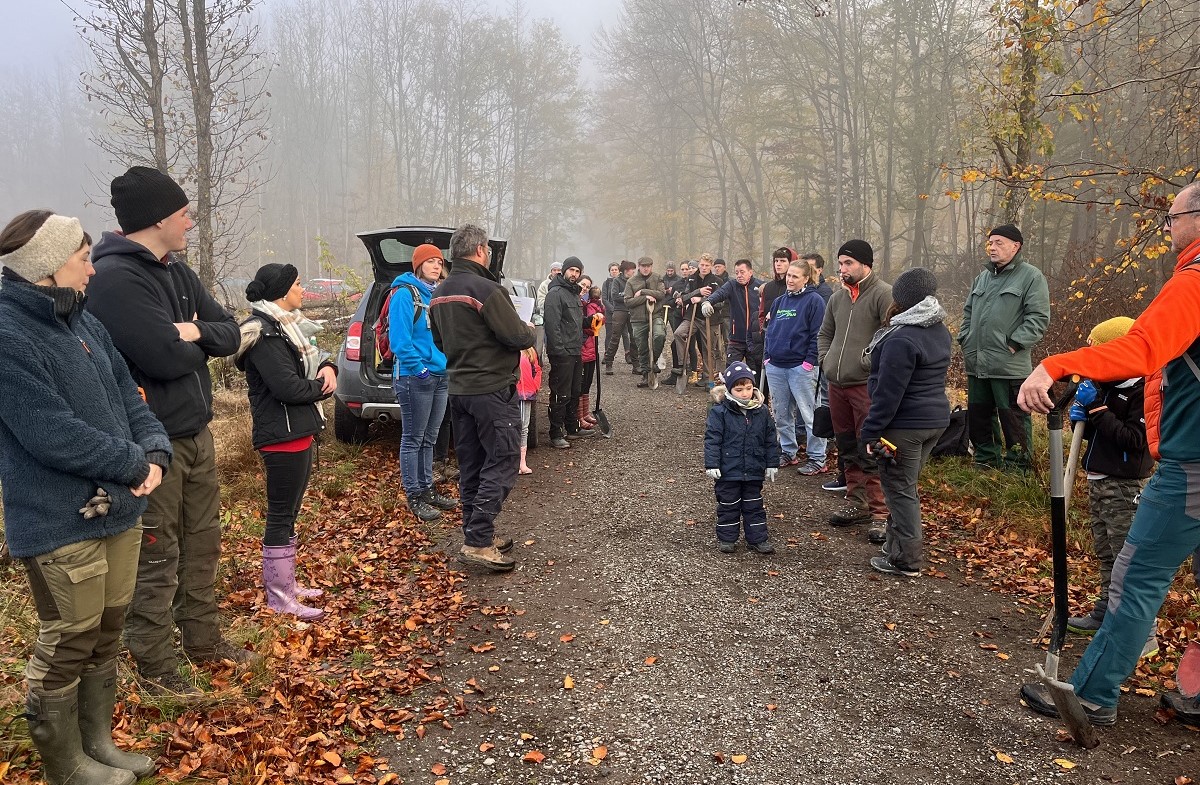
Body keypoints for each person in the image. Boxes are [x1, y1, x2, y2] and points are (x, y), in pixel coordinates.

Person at [1016, 182, 1200, 727]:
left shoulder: (1193, 282)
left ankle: (1092, 695)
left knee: (1137, 576)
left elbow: (1143, 347)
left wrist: (1059, 364)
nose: (1167, 228)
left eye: (1172, 218)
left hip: (1192, 466)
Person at [0, 211, 171, 785]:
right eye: (82, 258)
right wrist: (132, 463)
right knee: (69, 640)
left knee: (106, 630)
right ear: (47, 268)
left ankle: (97, 742)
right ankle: (64, 764)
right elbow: (50, 431)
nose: (92, 268)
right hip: (57, 521)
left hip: (119, 510)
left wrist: (155, 452)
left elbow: (129, 393)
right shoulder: (7, 335)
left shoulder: (82, 321)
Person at [86, 166, 257, 694]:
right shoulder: (116, 279)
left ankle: (204, 641)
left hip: (196, 434)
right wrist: (190, 340)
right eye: (184, 213)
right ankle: (157, 665)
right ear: (159, 217)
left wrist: (193, 331)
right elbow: (162, 357)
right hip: (150, 445)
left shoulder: (176, 270)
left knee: (203, 544)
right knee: (157, 554)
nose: (190, 222)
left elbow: (230, 333)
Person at [233, 264, 338, 621]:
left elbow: (313, 355)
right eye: (297, 284)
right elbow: (288, 388)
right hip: (281, 436)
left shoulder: (288, 328)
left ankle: (288, 586)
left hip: (298, 431)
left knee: (289, 513)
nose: (303, 290)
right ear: (281, 292)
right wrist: (322, 387)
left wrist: (329, 367)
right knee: (280, 515)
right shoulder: (265, 335)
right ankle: (279, 596)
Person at [430, 224, 534, 572]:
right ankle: (477, 540)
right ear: (479, 250)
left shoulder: (439, 292)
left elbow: (441, 343)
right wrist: (531, 330)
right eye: (487, 248)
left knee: (472, 465)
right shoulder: (487, 289)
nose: (488, 253)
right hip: (490, 389)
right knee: (503, 459)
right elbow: (515, 334)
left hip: (458, 390)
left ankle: (476, 534)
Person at [1060, 317, 1158, 657]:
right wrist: (1081, 420)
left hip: (1124, 488)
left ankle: (1139, 633)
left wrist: (1098, 410)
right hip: (1098, 481)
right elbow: (1098, 433)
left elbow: (1134, 440)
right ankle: (1105, 612)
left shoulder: (1143, 391)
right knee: (1105, 554)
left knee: (1125, 559)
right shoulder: (1104, 386)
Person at [857, 268, 952, 577]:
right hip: (934, 422)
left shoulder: (902, 338)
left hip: (906, 426)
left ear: (902, 299)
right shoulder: (937, 329)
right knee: (904, 486)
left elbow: (888, 393)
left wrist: (871, 431)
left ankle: (906, 560)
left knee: (899, 489)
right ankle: (894, 546)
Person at [817, 240, 892, 540]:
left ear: (865, 264)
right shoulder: (837, 298)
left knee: (870, 446)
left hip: (866, 385)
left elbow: (891, 336)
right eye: (840, 263)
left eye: (848, 263)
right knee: (846, 445)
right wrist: (826, 361)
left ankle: (881, 513)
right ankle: (857, 501)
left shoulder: (883, 294)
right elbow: (825, 333)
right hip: (836, 383)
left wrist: (866, 363)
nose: (842, 268)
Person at [959, 224, 1050, 471]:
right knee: (979, 416)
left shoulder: (1031, 276)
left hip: (1009, 364)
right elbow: (968, 312)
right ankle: (986, 460)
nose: (992, 247)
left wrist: (1013, 344)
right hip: (977, 363)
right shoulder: (983, 277)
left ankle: (1018, 468)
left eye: (999, 242)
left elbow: (1038, 318)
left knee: (1013, 418)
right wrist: (965, 338)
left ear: (1016, 246)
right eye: (990, 243)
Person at [384, 244, 460, 522]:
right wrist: (420, 370)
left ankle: (428, 489)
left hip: (441, 375)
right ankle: (414, 495)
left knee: (430, 437)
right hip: (415, 377)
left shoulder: (436, 294)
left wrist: (443, 368)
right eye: (430, 261)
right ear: (418, 265)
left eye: (439, 262)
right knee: (413, 438)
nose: (436, 266)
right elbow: (400, 342)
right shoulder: (404, 294)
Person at [704, 361, 781, 553]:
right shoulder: (719, 412)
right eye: (739, 389)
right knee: (728, 505)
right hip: (728, 470)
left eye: (748, 388)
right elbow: (712, 439)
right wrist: (712, 463)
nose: (745, 393)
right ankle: (727, 538)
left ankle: (757, 539)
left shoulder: (761, 411)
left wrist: (772, 463)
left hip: (753, 469)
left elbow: (770, 439)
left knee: (754, 505)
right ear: (729, 390)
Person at [764, 259, 828, 475]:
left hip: (802, 368)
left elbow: (818, 334)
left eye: (794, 276)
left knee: (810, 415)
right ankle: (788, 452)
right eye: (788, 275)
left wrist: (809, 362)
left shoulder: (814, 301)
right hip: (776, 367)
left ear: (806, 279)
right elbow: (770, 331)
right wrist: (767, 358)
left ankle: (817, 458)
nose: (789, 279)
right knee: (781, 414)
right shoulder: (779, 302)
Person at [543, 256, 593, 447]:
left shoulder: (574, 293)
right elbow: (552, 325)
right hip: (562, 352)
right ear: (564, 271)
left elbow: (576, 322)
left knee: (574, 391)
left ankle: (572, 428)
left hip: (575, 350)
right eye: (572, 270)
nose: (574, 274)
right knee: (560, 393)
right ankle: (556, 432)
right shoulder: (555, 294)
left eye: (578, 271)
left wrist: (591, 321)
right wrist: (559, 350)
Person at [667, 255, 720, 386]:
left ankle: (708, 379)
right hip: (693, 317)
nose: (704, 268)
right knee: (678, 333)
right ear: (699, 265)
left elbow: (720, 303)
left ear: (711, 266)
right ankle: (682, 365)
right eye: (702, 265)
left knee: (708, 350)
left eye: (707, 265)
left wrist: (702, 300)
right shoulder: (691, 279)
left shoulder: (716, 281)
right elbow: (684, 297)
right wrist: (698, 292)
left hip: (710, 320)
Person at [702, 259, 763, 372]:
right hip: (736, 339)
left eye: (742, 272)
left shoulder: (760, 286)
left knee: (756, 373)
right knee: (731, 372)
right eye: (736, 272)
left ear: (750, 272)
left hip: (755, 339)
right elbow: (719, 293)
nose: (739, 275)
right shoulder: (732, 285)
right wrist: (708, 302)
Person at [624, 256, 667, 388]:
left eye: (648, 266)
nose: (646, 268)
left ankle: (653, 361)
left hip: (655, 315)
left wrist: (643, 291)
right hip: (638, 319)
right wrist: (645, 298)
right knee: (641, 347)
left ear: (651, 267)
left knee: (660, 335)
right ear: (639, 266)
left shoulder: (657, 277)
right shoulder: (631, 282)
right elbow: (628, 301)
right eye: (643, 266)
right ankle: (645, 374)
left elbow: (661, 294)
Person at [578, 276, 605, 430]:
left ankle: (585, 413)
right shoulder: (580, 304)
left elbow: (598, 325)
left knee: (587, 382)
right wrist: (595, 321)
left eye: (587, 287)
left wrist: (598, 319)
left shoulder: (587, 303)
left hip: (590, 347)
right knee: (581, 384)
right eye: (583, 285)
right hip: (582, 347)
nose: (585, 288)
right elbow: (587, 327)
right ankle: (579, 417)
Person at [603, 260, 636, 375]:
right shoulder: (616, 281)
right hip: (619, 311)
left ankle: (636, 365)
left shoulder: (635, 281)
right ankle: (609, 362)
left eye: (632, 270)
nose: (631, 272)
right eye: (630, 270)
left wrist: (630, 298)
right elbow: (615, 296)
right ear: (625, 270)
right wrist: (630, 298)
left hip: (632, 312)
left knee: (634, 338)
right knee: (614, 337)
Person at [517, 347, 542, 475]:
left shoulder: (531, 351)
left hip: (526, 393)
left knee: (524, 428)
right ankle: (512, 461)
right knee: (512, 427)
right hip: (511, 394)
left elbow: (537, 370)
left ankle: (522, 461)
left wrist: (534, 386)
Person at [759, 247, 796, 333]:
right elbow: (761, 313)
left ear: (791, 263)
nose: (778, 264)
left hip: (790, 336)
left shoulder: (796, 286)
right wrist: (763, 330)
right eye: (776, 261)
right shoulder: (768, 287)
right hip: (769, 336)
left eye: (783, 261)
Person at [533, 261, 562, 353]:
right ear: (551, 271)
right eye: (554, 270)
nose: (556, 272)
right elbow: (540, 302)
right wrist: (553, 305)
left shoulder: (565, 284)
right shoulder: (544, 285)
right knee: (549, 343)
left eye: (559, 270)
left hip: (563, 319)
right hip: (548, 319)